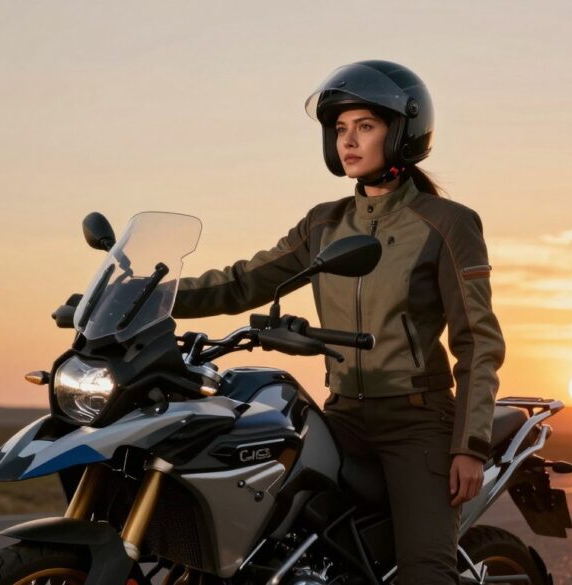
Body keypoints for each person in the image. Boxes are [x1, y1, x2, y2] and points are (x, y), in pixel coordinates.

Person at [171, 60, 505, 584]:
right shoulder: (324, 222)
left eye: (365, 127)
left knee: (425, 570)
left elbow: (479, 341)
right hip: (341, 415)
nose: (348, 141)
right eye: (340, 129)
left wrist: (469, 445)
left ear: (402, 134)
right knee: (262, 529)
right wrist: (147, 295)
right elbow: (242, 282)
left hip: (417, 422)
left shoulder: (446, 224)